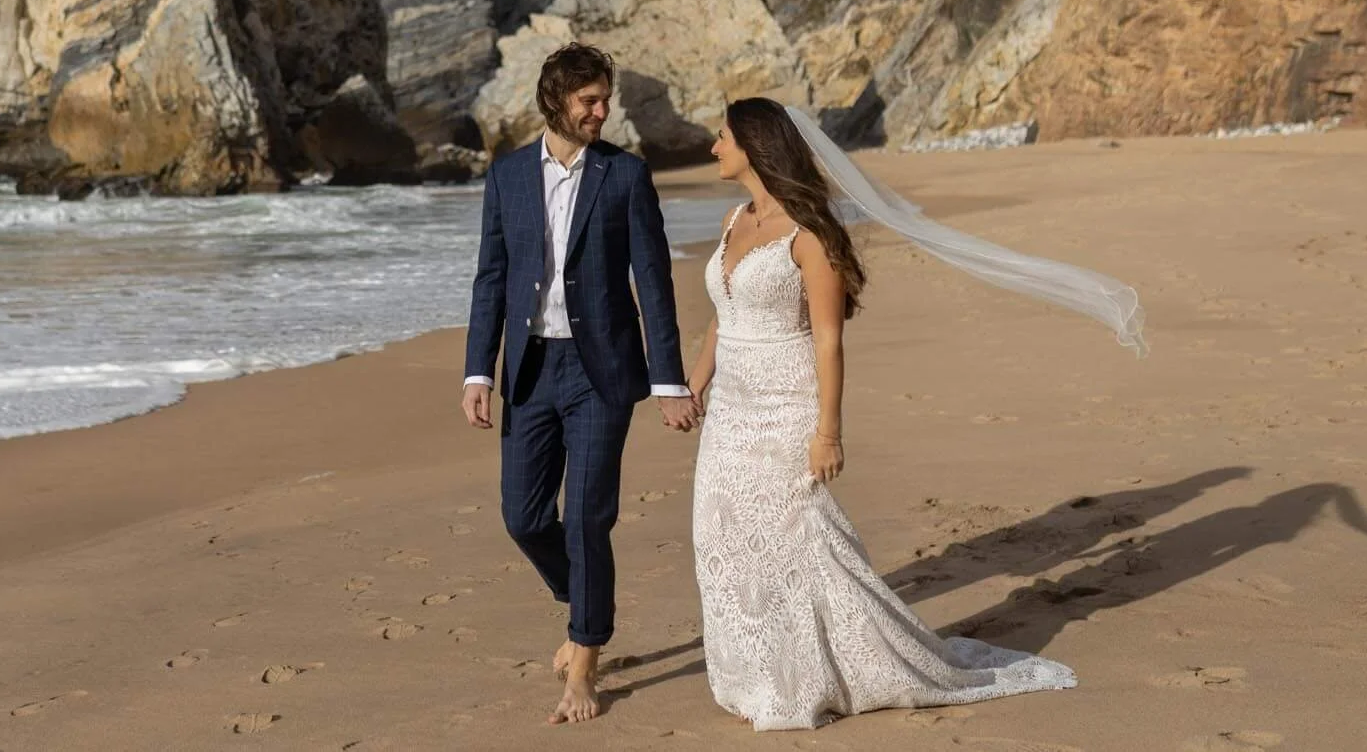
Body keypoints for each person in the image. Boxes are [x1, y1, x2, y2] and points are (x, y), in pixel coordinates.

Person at [689, 96, 1144, 730]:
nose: (713, 146)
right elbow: (723, 314)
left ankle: (818, 675)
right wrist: (694, 383)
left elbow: (827, 339)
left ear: (755, 145)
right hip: (730, 413)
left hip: (786, 406)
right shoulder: (734, 220)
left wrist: (828, 432)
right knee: (724, 538)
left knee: (801, 542)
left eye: (722, 136)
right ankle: (756, 672)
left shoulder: (808, 235)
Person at [460, 42, 699, 725]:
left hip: (602, 372)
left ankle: (586, 657)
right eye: (589, 100)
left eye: (605, 99)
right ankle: (588, 603)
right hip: (531, 370)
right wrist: (480, 369)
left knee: (590, 515)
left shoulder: (625, 175)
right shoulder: (506, 176)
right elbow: (492, 278)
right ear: (555, 102)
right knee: (524, 516)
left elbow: (652, 282)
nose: (603, 110)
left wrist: (669, 381)